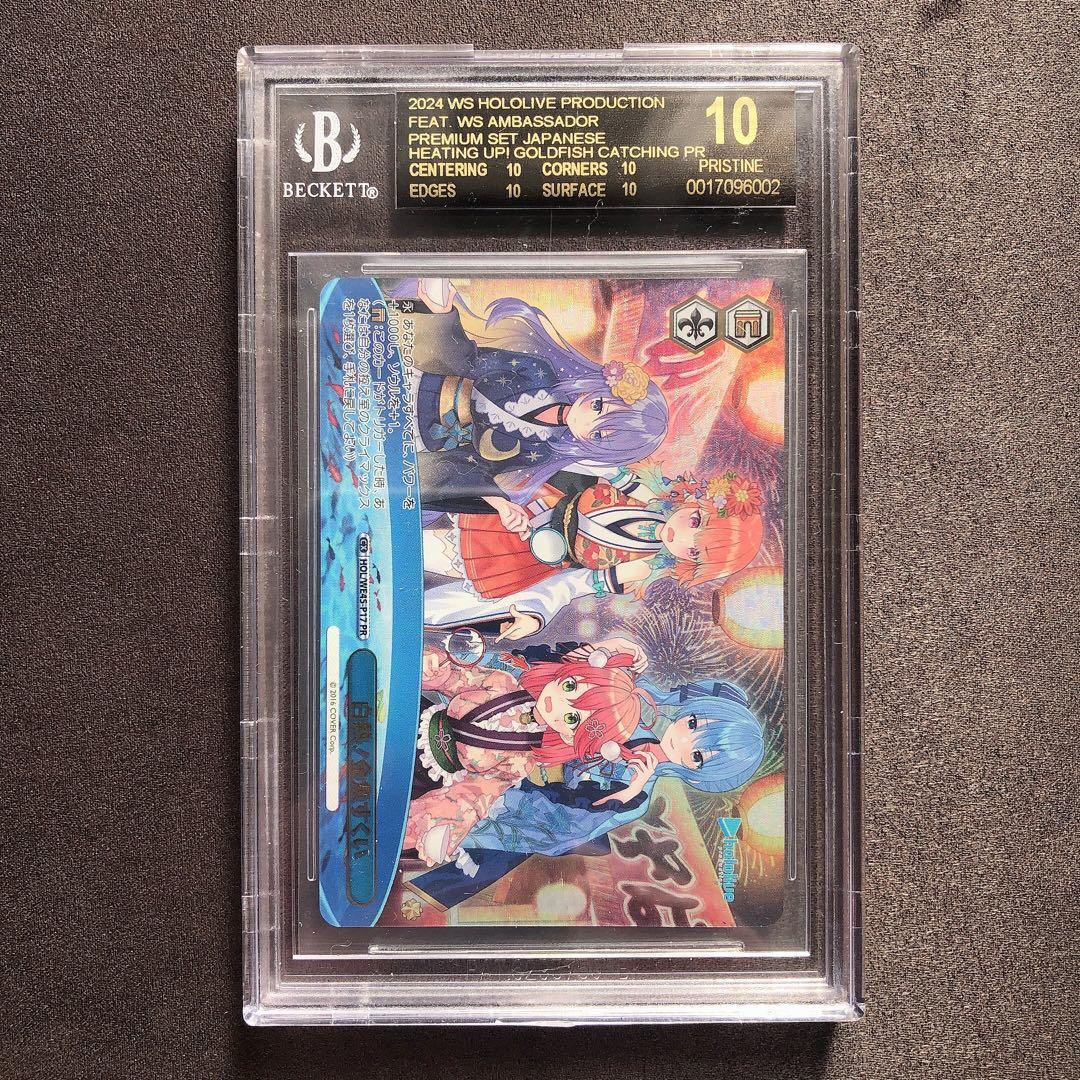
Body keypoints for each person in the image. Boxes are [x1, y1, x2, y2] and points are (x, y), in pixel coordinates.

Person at [403, 680, 766, 911]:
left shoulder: (636, 795)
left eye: (697, 755)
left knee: (422, 818)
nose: (683, 740)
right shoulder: (633, 716)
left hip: (508, 800)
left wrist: (626, 792)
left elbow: (562, 826)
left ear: (698, 773)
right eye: (693, 724)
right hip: (501, 746)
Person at [386, 278, 669, 520]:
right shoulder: (537, 371)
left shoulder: (542, 450)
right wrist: (440, 317)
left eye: (599, 434)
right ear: (596, 389)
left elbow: (477, 465)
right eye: (599, 405)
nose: (588, 418)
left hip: (416, 439)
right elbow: (467, 360)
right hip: (418, 381)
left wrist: (498, 502)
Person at [406, 637, 654, 868]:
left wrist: (443, 825)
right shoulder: (502, 683)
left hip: (419, 775)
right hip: (409, 718)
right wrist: (434, 668)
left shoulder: (522, 760)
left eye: (572, 718)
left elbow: (476, 794)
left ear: (571, 737)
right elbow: (455, 677)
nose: (558, 702)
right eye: (569, 686)